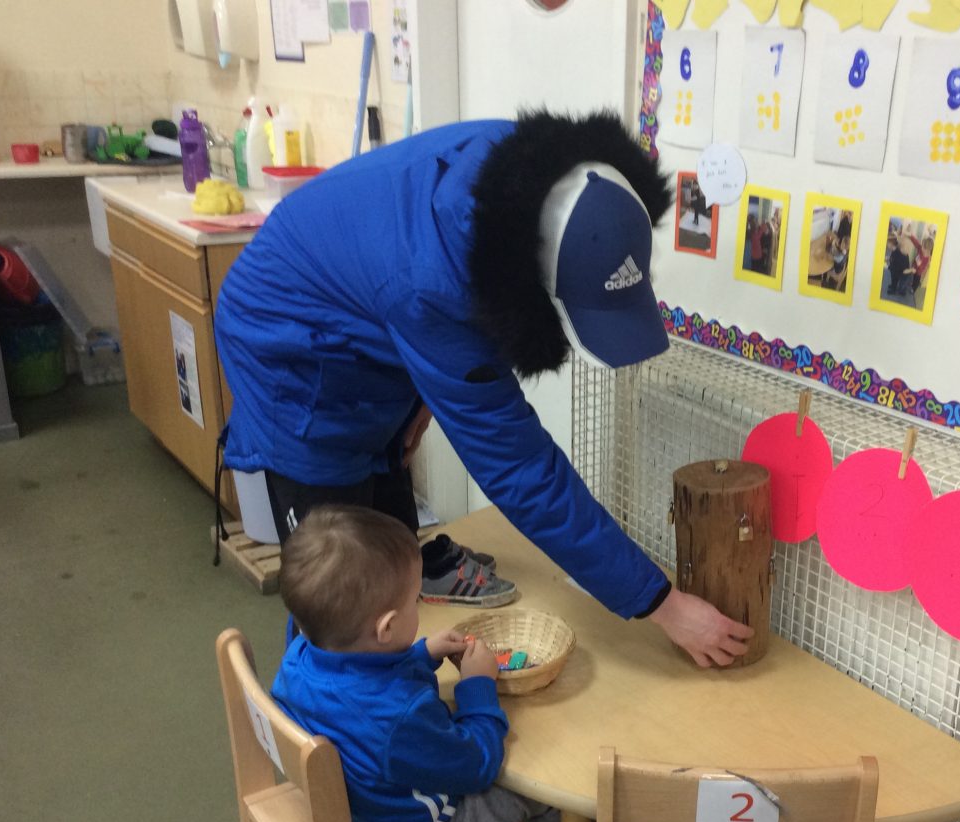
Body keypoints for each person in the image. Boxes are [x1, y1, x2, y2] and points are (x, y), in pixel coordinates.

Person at [215, 111, 751, 667]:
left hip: (363, 302)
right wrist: (661, 604)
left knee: (393, 554)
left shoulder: (531, 174)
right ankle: (316, 713)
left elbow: (396, 294)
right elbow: (521, 472)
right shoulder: (434, 285)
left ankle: (390, 682)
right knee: (342, 588)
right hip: (286, 348)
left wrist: (426, 391)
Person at [271, 505, 562, 822]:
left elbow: (360, 678)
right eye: (414, 601)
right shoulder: (400, 718)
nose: (418, 606)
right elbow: (478, 763)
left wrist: (420, 654)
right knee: (548, 795)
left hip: (354, 811)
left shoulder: (299, 652)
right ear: (387, 628)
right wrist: (478, 686)